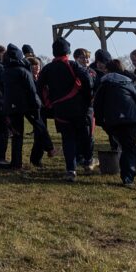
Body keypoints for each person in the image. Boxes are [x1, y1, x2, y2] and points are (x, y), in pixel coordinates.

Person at [38, 38, 93, 181]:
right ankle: (88, 161)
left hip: (60, 110)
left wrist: (48, 103)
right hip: (79, 109)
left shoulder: (47, 68)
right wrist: (88, 99)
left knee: (67, 139)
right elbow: (87, 81)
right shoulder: (73, 65)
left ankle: (71, 170)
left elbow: (39, 88)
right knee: (84, 136)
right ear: (68, 52)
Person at [93, 58, 136, 187]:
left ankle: (124, 173)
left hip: (112, 121)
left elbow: (97, 104)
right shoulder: (129, 84)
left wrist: (101, 122)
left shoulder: (104, 85)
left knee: (122, 145)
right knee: (129, 148)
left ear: (107, 70)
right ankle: (128, 177)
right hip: (131, 120)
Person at [2, 44, 41, 169]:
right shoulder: (24, 71)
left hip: (11, 107)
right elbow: (31, 90)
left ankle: (16, 162)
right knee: (37, 129)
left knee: (17, 135)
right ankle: (48, 149)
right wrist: (36, 105)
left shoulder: (5, 71)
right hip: (25, 105)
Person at [73, 48, 98, 170]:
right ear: (76, 59)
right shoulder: (73, 72)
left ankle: (88, 157)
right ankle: (79, 157)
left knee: (89, 134)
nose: (86, 60)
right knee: (77, 133)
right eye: (83, 57)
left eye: (87, 57)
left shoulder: (92, 72)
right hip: (76, 106)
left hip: (89, 107)